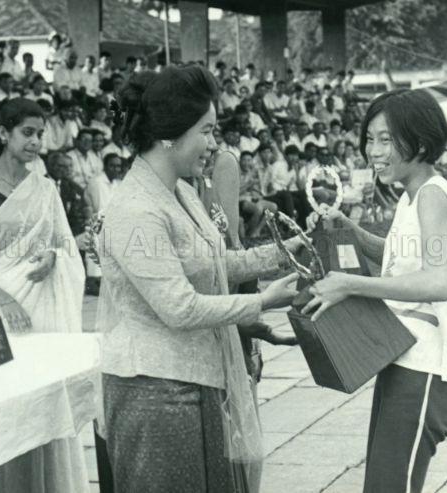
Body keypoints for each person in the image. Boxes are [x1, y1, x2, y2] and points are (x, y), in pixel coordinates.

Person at [96, 65, 302, 493]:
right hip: (152, 391)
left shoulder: (180, 190)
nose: (213, 144)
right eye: (206, 131)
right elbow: (179, 306)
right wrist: (262, 302)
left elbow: (210, 261)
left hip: (193, 378)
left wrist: (283, 252)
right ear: (171, 133)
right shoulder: (136, 208)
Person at [301, 89, 447, 493]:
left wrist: (349, 284)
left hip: (426, 370)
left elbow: (436, 281)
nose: (373, 151)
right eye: (370, 139)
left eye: (386, 139)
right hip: (403, 359)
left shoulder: (430, 196)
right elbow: (398, 256)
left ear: (421, 142)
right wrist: (349, 230)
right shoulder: (413, 197)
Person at [0, 98, 89, 492]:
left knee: (49, 403)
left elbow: (64, 242)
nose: (35, 141)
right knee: (13, 414)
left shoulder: (44, 188)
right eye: (27, 132)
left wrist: (53, 254)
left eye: (40, 134)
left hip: (45, 308)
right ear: (3, 133)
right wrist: (4, 298)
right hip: (4, 310)